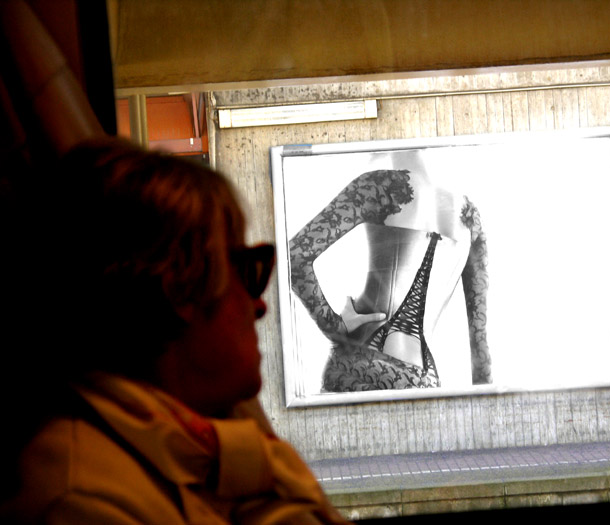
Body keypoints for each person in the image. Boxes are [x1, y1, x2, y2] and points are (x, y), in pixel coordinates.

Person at [0, 139, 348, 525]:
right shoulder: (84, 503)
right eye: (247, 270)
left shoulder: (201, 447)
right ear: (180, 288)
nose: (259, 306)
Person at [289, 164, 491, 393]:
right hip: (423, 378)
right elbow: (480, 345)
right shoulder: (470, 217)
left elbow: (295, 257)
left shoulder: (380, 186)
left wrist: (334, 326)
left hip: (359, 361)